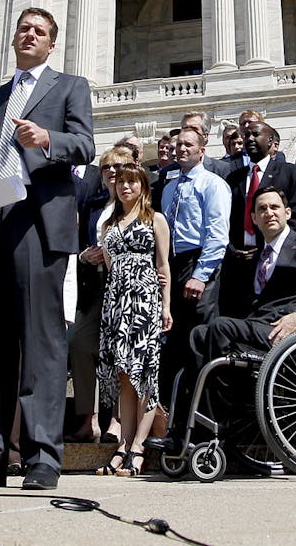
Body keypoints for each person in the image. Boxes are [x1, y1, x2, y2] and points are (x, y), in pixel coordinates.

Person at [0, 7, 95, 491]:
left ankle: (41, 457)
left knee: (41, 343)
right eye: (23, 29)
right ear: (13, 39)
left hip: (39, 222)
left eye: (40, 31)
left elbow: (85, 146)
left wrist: (48, 138)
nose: (29, 35)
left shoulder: (70, 86)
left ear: (52, 44)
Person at [148, 186, 296, 460]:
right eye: (262, 209)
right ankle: (187, 432)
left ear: (287, 213)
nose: (269, 213)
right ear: (254, 219)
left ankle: (216, 424)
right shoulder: (256, 257)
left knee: (219, 328)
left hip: (289, 333)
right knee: (198, 334)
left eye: (274, 207)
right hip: (258, 329)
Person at [90, 163, 172, 477]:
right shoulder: (109, 224)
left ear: (143, 187)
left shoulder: (155, 219)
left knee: (145, 374)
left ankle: (139, 445)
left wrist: (165, 306)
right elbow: (110, 268)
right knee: (123, 375)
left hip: (145, 301)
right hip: (116, 304)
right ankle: (123, 445)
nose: (126, 187)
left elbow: (163, 265)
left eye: (132, 182)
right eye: (121, 182)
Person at [158, 124, 231, 431]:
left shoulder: (212, 184)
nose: (181, 149)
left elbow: (217, 234)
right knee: (173, 345)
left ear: (202, 150)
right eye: (178, 145)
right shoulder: (169, 187)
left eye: (188, 145)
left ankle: (204, 421)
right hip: (173, 265)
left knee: (197, 341)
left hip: (199, 263)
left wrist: (201, 274)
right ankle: (176, 421)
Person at [71, 146, 135, 445]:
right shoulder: (94, 204)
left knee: (120, 352)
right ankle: (88, 418)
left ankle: (118, 421)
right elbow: (81, 239)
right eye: (106, 166)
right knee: (81, 344)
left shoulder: (137, 205)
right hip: (94, 286)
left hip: (125, 287)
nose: (111, 171)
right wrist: (85, 255)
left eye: (118, 165)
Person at [223, 121, 296, 315]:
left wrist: (269, 249)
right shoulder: (234, 178)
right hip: (239, 261)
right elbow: (227, 219)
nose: (249, 139)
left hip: (274, 260)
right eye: (246, 135)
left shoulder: (289, 172)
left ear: (270, 141)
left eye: (255, 134)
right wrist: (233, 249)